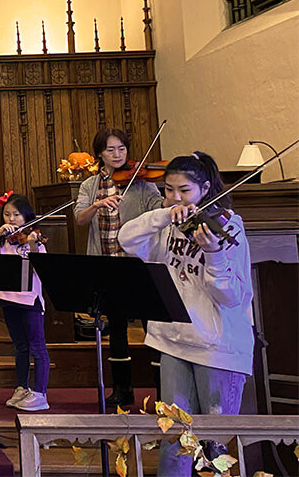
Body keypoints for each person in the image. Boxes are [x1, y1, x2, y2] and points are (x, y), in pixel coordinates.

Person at [118, 152, 252, 477]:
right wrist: (163, 215)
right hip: (173, 342)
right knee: (174, 438)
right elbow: (126, 239)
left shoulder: (227, 225)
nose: (175, 197)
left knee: (214, 445)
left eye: (184, 190)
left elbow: (231, 296)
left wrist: (214, 254)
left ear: (205, 188)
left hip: (218, 348)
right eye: (169, 190)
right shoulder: (168, 223)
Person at [73, 126, 162, 408]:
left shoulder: (141, 182)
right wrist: (98, 204)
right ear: (99, 153)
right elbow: (80, 219)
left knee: (153, 327)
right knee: (117, 328)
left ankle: (163, 392)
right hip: (106, 263)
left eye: (121, 149)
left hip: (138, 264)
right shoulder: (90, 185)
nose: (117, 154)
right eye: (110, 150)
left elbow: (159, 207)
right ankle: (122, 391)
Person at [0, 192, 50, 411]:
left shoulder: (32, 238)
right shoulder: (0, 240)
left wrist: (34, 246)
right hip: (7, 299)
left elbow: (44, 269)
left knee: (37, 346)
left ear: (26, 217)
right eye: (7, 214)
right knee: (19, 346)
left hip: (30, 300)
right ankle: (22, 387)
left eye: (16, 214)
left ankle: (40, 393)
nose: (11, 219)